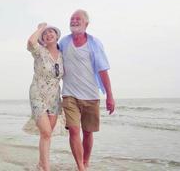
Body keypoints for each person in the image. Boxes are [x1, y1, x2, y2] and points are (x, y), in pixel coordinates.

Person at [59, 9, 115, 171]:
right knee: (74, 130)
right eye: (72, 18)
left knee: (88, 132)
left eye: (78, 19)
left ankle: (86, 161)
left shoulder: (94, 43)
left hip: (91, 95)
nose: (74, 21)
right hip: (69, 95)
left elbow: (103, 70)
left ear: (86, 24)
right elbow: (52, 56)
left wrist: (110, 96)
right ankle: (80, 167)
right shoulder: (64, 42)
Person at [23, 22, 64, 171]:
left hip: (54, 98)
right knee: (46, 132)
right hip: (37, 94)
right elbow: (30, 42)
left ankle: (41, 164)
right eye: (45, 34)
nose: (48, 34)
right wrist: (40, 28)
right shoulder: (39, 51)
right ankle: (46, 168)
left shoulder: (62, 56)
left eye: (51, 32)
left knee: (47, 135)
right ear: (42, 38)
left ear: (57, 36)